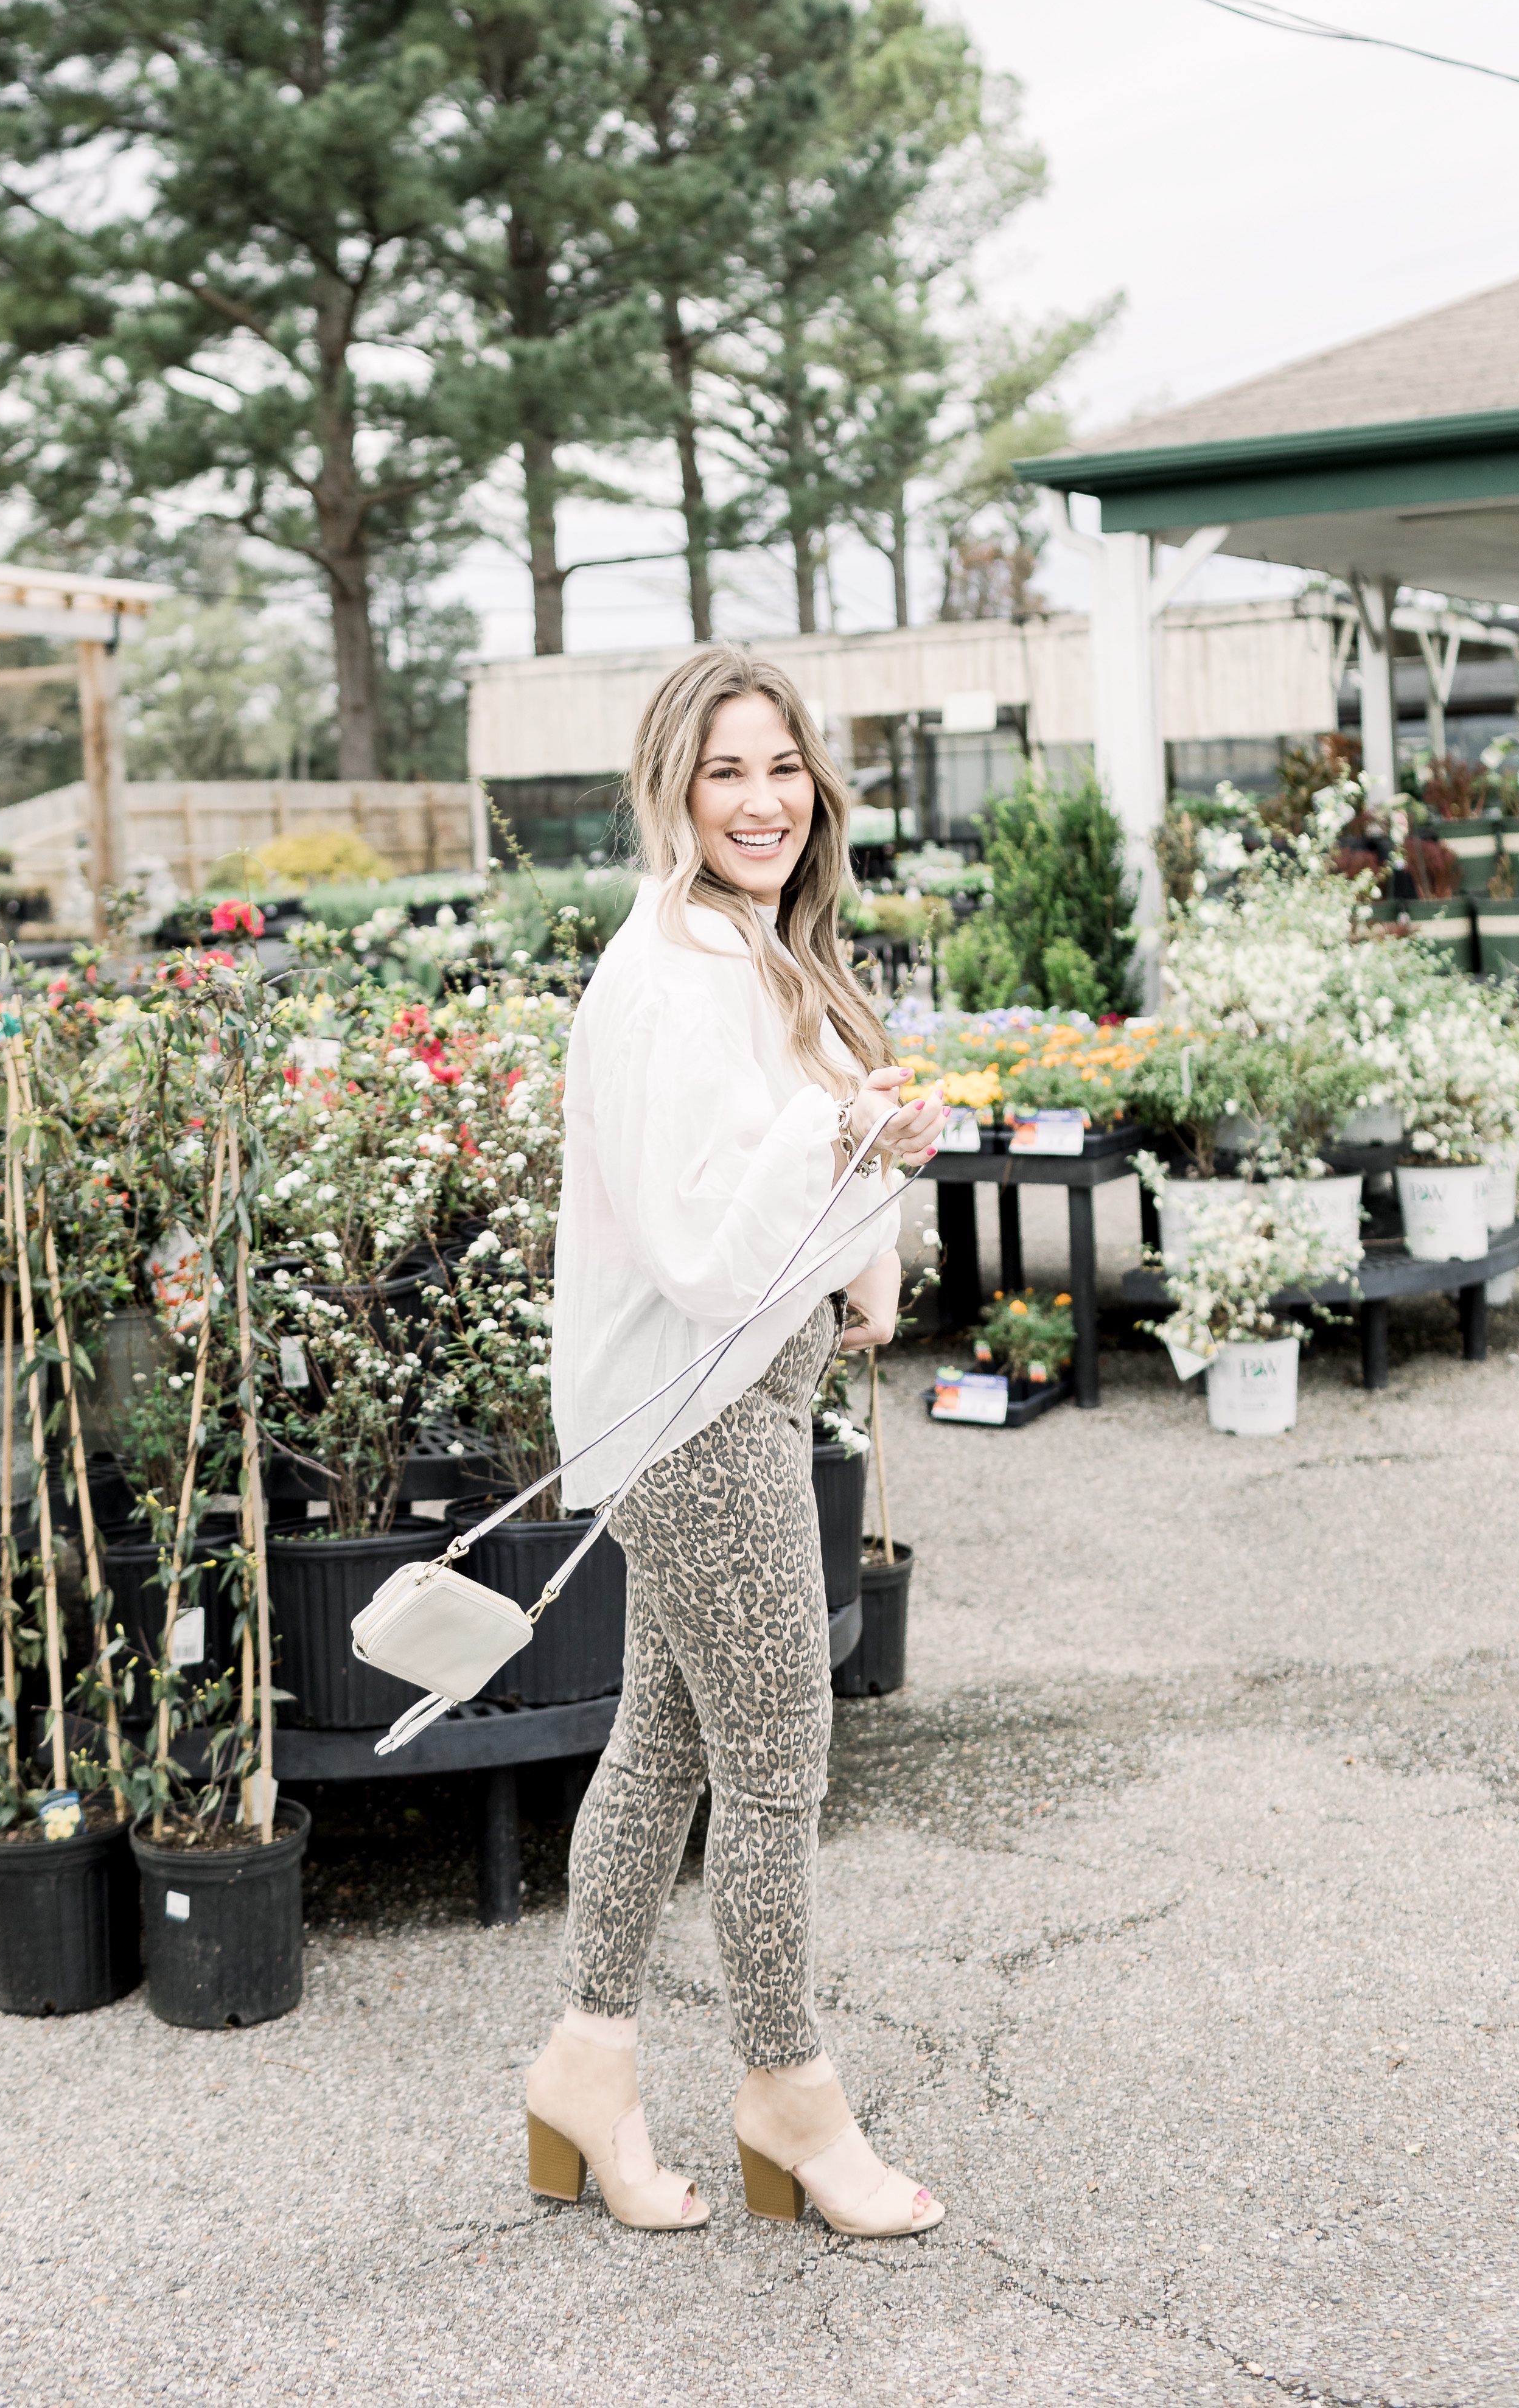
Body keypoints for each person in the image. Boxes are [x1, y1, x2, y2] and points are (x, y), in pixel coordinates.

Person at [525, 645, 948, 2236]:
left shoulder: (753, 947)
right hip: (691, 1419)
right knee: (780, 1753)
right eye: (727, 772)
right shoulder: (662, 982)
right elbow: (703, 1250)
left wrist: (871, 1187)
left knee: (670, 1748)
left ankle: (585, 2067)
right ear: (671, 791)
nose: (764, 801)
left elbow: (808, 1183)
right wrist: (831, 1134)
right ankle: (790, 2096)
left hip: (751, 1395)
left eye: (784, 767)